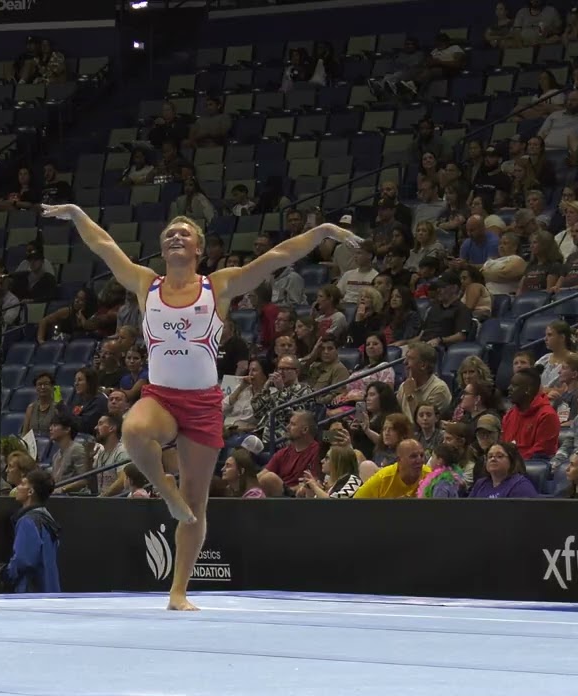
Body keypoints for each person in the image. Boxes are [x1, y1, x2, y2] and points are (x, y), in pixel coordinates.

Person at [40, 204, 353, 610]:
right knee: (134, 430)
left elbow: (276, 257)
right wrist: (78, 215)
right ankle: (164, 489)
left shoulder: (217, 286)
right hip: (162, 398)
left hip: (203, 404)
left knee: (196, 503)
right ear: (161, 246)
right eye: (170, 232)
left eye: (184, 233)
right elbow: (104, 245)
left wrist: (321, 232)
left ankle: (178, 591)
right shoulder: (144, 283)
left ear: (199, 249)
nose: (176, 236)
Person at [5, 469, 61, 593]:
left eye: (23, 484)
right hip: (50, 589)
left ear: (30, 491)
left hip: (32, 593)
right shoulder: (47, 517)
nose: (18, 487)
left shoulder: (28, 521)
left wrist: (8, 573)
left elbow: (23, 560)